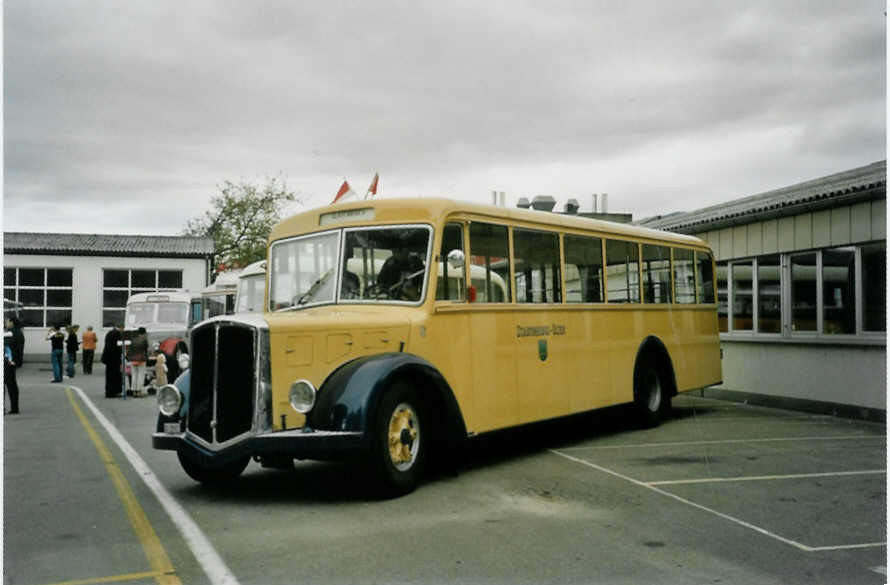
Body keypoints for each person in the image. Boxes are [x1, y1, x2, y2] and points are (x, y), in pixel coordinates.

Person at [101, 324, 124, 397]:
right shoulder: (117, 334)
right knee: (115, 375)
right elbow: (118, 346)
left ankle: (109, 391)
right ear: (121, 327)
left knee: (109, 375)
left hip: (108, 357)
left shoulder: (109, 333)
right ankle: (114, 391)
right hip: (114, 358)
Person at [128, 327, 149, 397]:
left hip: (133, 359)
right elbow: (145, 349)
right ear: (144, 333)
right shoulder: (144, 340)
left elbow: (130, 349)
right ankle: (139, 391)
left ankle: (134, 391)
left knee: (134, 375)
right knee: (141, 375)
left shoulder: (133, 339)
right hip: (141, 359)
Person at [4, 323, 20, 414]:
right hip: (10, 363)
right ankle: (14, 407)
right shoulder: (13, 335)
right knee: (12, 385)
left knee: (10, 385)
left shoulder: (8, 335)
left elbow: (8, 350)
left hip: (7, 363)